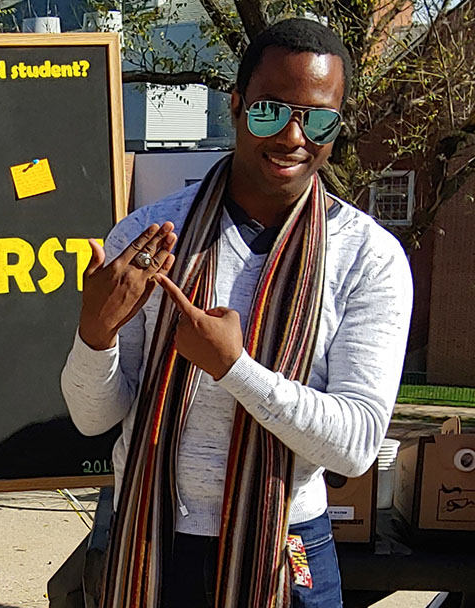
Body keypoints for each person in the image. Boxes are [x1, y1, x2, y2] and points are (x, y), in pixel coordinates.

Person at [60, 18, 413, 608]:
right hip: (151, 543)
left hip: (286, 546)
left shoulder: (369, 257)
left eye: (318, 118)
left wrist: (234, 368)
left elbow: (355, 446)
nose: (294, 137)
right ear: (237, 106)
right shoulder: (150, 237)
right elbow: (94, 420)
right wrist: (94, 337)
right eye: (271, 110)